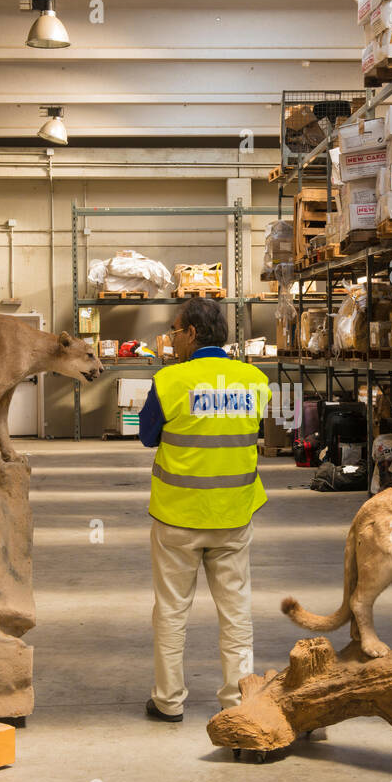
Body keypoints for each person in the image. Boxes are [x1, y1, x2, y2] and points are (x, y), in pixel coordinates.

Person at [138, 298, 270, 722]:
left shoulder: (170, 380)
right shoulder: (254, 381)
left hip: (177, 517)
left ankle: (169, 701)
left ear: (192, 334)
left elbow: (145, 435)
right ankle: (239, 700)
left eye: (175, 331)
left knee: (172, 610)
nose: (171, 340)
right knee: (236, 611)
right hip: (233, 515)